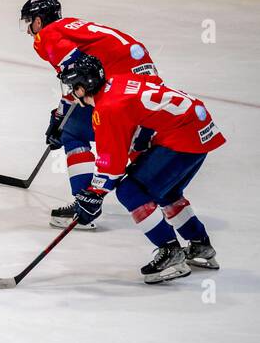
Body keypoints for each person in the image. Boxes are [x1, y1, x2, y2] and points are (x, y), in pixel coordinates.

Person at [59, 54, 224, 284]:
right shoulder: (118, 82)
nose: (71, 92)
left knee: (130, 191)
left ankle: (171, 252)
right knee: (166, 192)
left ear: (84, 86)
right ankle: (200, 245)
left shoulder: (106, 109)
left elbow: (112, 166)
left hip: (184, 135)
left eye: (73, 86)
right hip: (199, 126)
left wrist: (94, 194)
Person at [19, 0, 159, 227]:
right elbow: (87, 78)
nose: (29, 31)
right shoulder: (74, 25)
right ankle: (159, 200)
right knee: (136, 144)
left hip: (122, 88)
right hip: (148, 86)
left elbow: (84, 77)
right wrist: (61, 111)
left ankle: (84, 204)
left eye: (30, 23)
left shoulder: (47, 36)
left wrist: (61, 117)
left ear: (39, 21)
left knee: (72, 131)